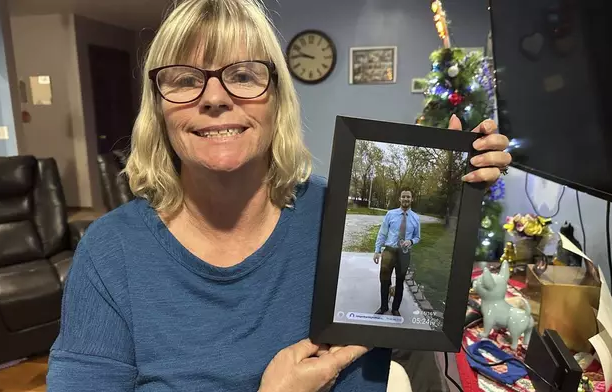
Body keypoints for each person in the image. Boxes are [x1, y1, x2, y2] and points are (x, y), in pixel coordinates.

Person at [46, 0, 512, 391]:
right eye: (186, 79)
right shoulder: (110, 253)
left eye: (244, 75)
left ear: (277, 100)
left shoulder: (338, 217)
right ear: (159, 108)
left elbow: (415, 318)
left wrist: (460, 192)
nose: (214, 97)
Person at [373, 189, 420, 317]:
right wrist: (377, 251)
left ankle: (395, 308)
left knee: (400, 281)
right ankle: (383, 306)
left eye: (408, 197)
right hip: (389, 251)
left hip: (404, 254)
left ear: (412, 199)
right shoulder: (390, 214)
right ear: (400, 199)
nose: (406, 199)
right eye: (403, 196)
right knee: (384, 279)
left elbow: (417, 237)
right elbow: (382, 233)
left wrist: (411, 241)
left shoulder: (415, 218)